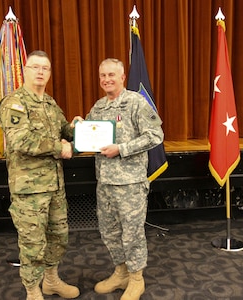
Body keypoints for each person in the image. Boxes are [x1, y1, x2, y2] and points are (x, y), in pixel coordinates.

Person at [0, 50, 80, 300]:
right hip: (29, 190)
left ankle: (51, 281)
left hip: (54, 186)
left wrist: (74, 129)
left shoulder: (50, 104)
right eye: (35, 67)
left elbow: (61, 129)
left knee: (58, 236)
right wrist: (59, 148)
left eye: (45, 68)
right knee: (33, 244)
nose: (41, 72)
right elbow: (21, 140)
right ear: (26, 70)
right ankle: (33, 292)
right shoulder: (15, 103)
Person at [86, 58, 164, 300]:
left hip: (130, 183)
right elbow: (88, 134)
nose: (106, 79)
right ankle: (120, 273)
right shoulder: (99, 107)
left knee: (132, 233)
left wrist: (123, 148)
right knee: (109, 231)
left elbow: (156, 135)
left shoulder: (135, 102)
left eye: (111, 75)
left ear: (122, 77)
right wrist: (79, 126)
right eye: (102, 75)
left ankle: (136, 279)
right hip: (105, 183)